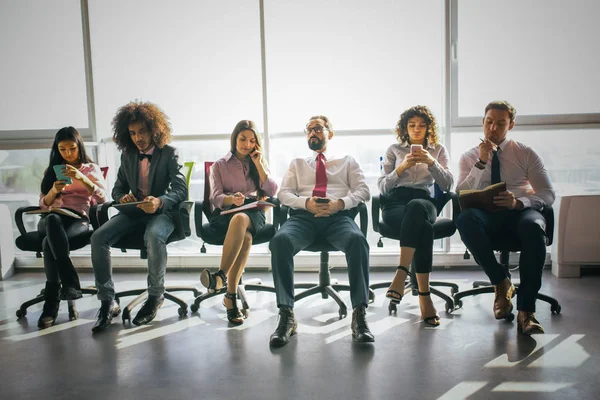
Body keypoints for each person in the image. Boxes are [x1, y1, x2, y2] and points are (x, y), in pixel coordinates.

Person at [268, 115, 373, 347]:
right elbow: (283, 194)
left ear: (330, 133)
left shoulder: (347, 161)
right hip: (304, 218)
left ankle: (360, 314)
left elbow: (364, 191)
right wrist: (307, 203)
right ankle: (286, 314)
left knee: (358, 241)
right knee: (280, 241)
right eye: (308, 130)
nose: (312, 133)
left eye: (317, 128)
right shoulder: (297, 163)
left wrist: (339, 204)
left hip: (338, 218)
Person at [455, 101, 555, 335]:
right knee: (465, 219)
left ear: (510, 125)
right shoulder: (469, 157)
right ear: (482, 122)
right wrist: (481, 162)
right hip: (486, 216)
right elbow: (460, 192)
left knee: (533, 226)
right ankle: (501, 281)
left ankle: (526, 312)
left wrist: (519, 202)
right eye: (489, 122)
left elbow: (547, 194)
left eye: (500, 123)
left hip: (520, 212)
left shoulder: (525, 153)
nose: (493, 128)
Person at [90, 101, 188, 333]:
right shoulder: (128, 155)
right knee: (98, 238)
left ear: (154, 129)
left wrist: (159, 201)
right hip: (133, 213)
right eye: (132, 133)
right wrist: (123, 197)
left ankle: (155, 296)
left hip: (161, 213)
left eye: (142, 131)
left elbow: (181, 189)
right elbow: (117, 190)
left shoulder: (170, 153)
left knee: (154, 235)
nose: (138, 138)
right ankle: (108, 301)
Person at [378, 106, 454, 326]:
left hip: (424, 202)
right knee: (424, 229)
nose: (417, 129)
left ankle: (401, 274)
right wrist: (401, 168)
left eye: (421, 125)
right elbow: (382, 187)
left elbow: (448, 184)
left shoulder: (438, 150)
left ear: (428, 127)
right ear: (405, 128)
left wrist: (432, 162)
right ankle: (425, 297)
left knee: (416, 207)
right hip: (395, 204)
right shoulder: (394, 150)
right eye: (412, 125)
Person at [199, 120, 278, 325]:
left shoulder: (258, 161)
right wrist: (231, 200)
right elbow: (215, 198)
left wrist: (260, 165)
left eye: (252, 140)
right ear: (234, 138)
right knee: (246, 235)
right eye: (242, 139)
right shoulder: (219, 165)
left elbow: (271, 191)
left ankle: (220, 277)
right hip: (225, 214)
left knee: (242, 218)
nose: (247, 144)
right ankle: (230, 296)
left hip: (253, 212)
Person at [36, 127, 108, 329]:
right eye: (62, 149)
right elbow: (44, 204)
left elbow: (104, 198)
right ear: (56, 149)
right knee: (51, 221)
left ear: (79, 147)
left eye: (72, 148)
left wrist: (83, 178)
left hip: (78, 220)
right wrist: (54, 190)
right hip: (52, 218)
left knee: (48, 243)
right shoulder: (52, 170)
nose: (67, 153)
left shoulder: (91, 169)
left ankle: (51, 304)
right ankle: (69, 281)